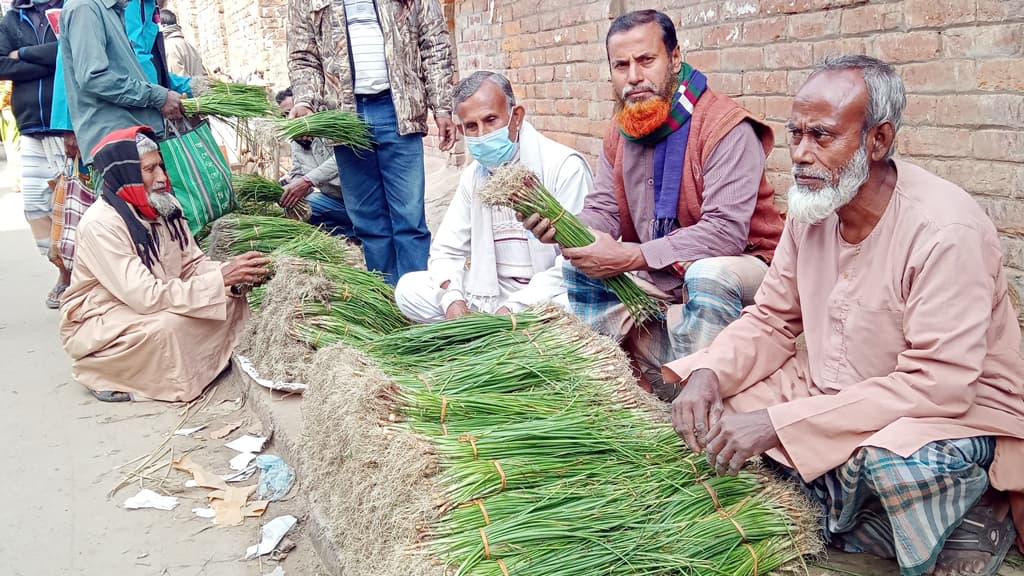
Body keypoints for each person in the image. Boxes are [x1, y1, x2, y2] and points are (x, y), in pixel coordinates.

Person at [667, 55, 1024, 576]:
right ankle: (872, 520)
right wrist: (707, 373)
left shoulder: (946, 232)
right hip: (838, 386)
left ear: (877, 141)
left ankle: (972, 513)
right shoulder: (812, 207)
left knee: (895, 465)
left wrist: (777, 426)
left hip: (946, 410)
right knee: (716, 412)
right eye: (796, 135)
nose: (802, 155)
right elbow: (770, 321)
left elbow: (939, 384)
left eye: (822, 136)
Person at [522, 10, 784, 400]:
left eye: (646, 61)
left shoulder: (725, 126)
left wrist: (632, 256)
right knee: (579, 265)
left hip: (747, 267)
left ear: (674, 59)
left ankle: (701, 401)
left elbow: (725, 233)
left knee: (707, 276)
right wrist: (563, 226)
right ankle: (629, 381)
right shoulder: (622, 129)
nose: (633, 76)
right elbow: (604, 211)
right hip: (661, 269)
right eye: (621, 65)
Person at [59, 126, 269, 402]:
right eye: (149, 170)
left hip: (158, 296)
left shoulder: (165, 206)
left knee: (230, 300)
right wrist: (218, 281)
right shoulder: (101, 224)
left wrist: (229, 277)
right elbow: (144, 296)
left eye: (161, 166)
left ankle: (203, 363)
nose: (161, 178)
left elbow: (192, 263)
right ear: (127, 174)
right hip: (110, 313)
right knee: (171, 327)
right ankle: (101, 371)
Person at [394, 71, 592, 322]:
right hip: (492, 297)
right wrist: (453, 301)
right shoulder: (473, 178)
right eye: (471, 127)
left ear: (516, 117)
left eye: (490, 120)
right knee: (409, 289)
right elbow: (446, 252)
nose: (482, 135)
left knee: (582, 306)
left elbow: (575, 264)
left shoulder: (563, 166)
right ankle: (492, 334)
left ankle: (499, 333)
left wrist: (515, 307)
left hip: (545, 297)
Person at [287, 0, 456, 285]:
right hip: (345, 115)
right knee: (369, 222)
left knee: (409, 218)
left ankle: (417, 298)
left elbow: (434, 41)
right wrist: (305, 101)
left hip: (398, 110)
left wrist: (441, 106)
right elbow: (303, 56)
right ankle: (389, 301)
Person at [0, 0, 70, 308]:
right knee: (35, 207)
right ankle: (64, 271)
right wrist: (52, 62)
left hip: (68, 125)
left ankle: (86, 277)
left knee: (76, 205)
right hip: (30, 126)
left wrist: (24, 54)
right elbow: (1, 64)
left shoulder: (71, 7)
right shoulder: (13, 17)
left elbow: (72, 53)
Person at [57, 0, 185, 164]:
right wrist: (157, 96)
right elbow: (94, 77)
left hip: (132, 139)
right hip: (119, 145)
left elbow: (128, 71)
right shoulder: (85, 7)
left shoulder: (112, 11)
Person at [276, 87, 355, 238]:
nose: (289, 118)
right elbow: (298, 171)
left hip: (359, 199)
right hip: (337, 201)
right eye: (284, 115)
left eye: (292, 112)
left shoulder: (328, 128)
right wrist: (288, 186)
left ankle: (366, 230)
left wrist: (307, 181)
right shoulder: (296, 142)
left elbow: (340, 161)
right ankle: (352, 234)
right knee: (302, 207)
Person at [158, 8, 204, 78]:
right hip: (200, 88)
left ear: (163, 26)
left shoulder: (169, 47)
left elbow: (178, 80)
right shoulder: (188, 46)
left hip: (188, 88)